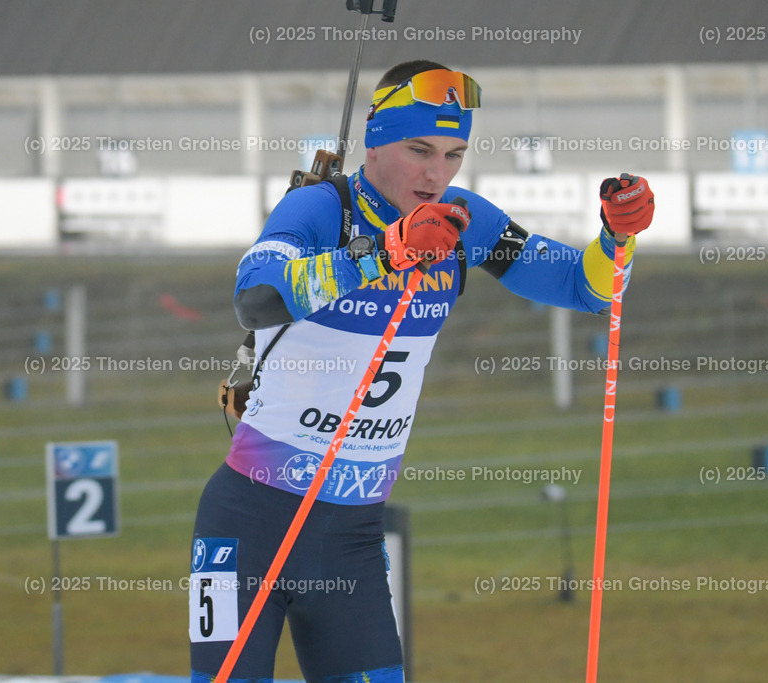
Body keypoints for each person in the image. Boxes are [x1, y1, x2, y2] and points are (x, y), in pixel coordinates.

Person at [189, 59, 655, 683]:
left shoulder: (464, 220)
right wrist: (384, 252)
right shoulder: (324, 207)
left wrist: (615, 235)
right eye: (419, 150)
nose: (437, 174)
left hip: (350, 535)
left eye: (454, 154)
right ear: (375, 139)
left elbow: (584, 287)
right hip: (251, 523)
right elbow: (257, 296)